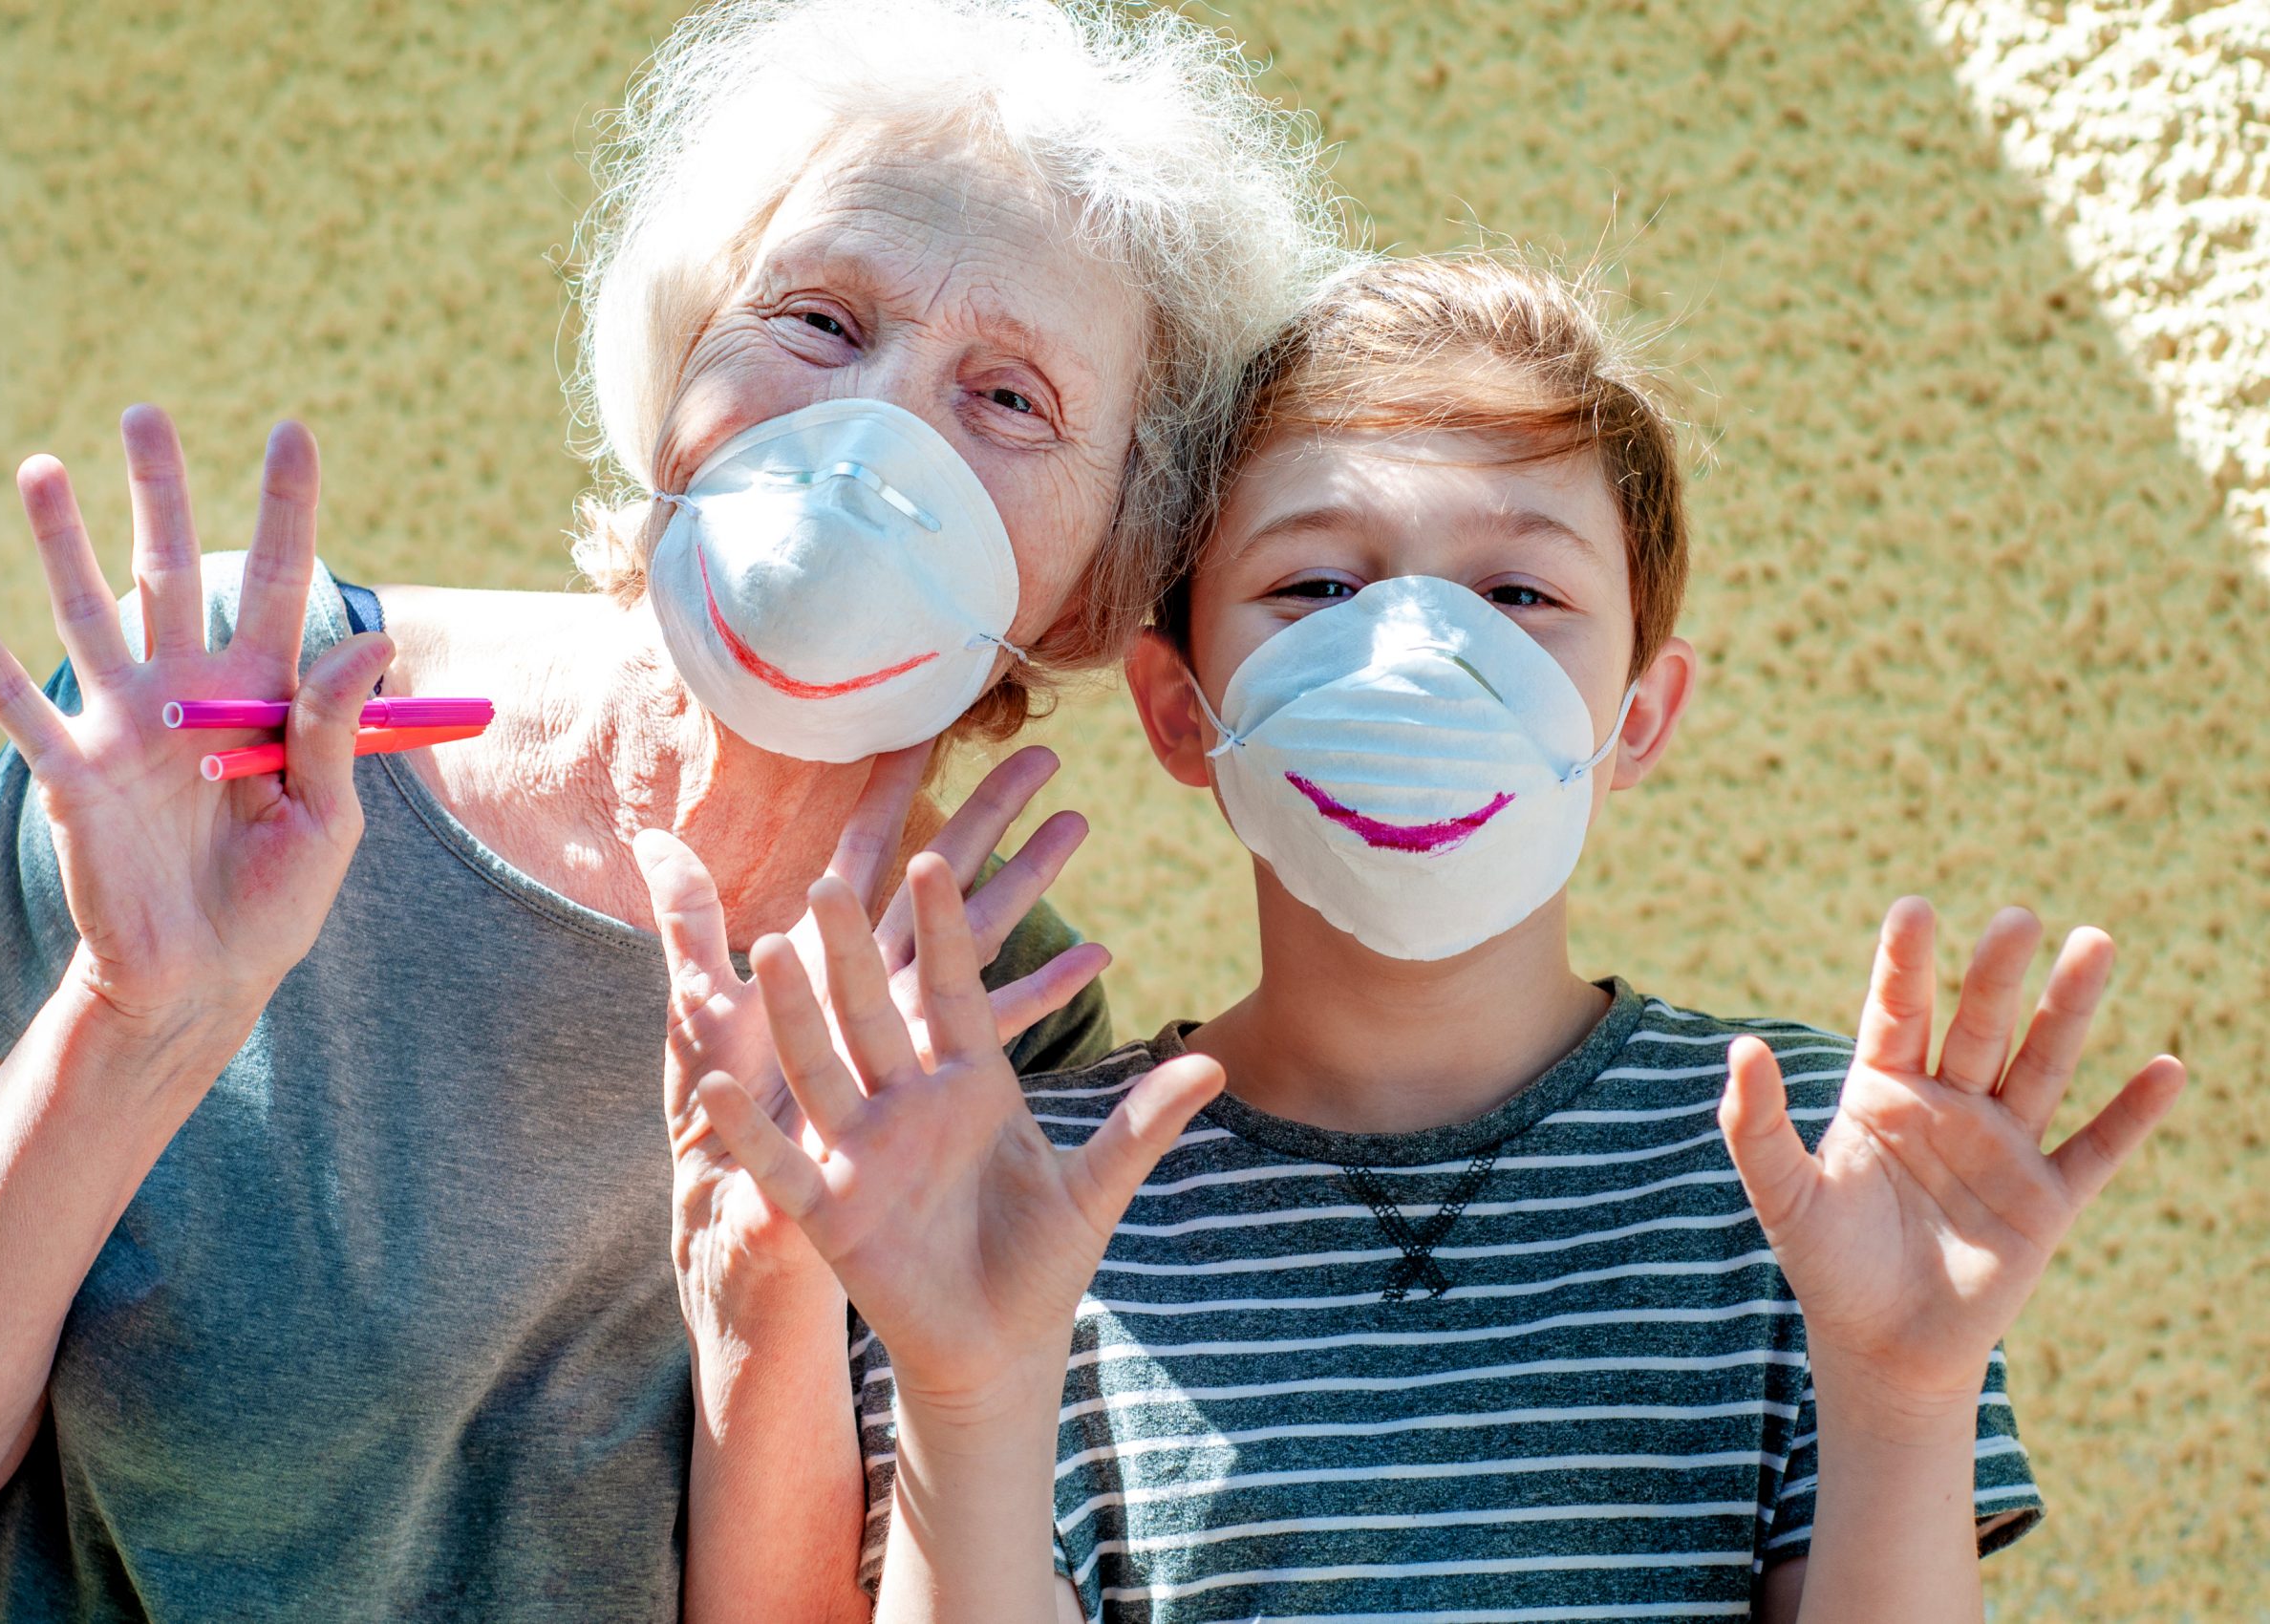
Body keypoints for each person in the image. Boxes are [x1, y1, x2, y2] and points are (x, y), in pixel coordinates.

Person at [0, 2, 1342, 1618]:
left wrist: (766, 1290)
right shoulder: (230, 715)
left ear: (1104, 562)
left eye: (1011, 398)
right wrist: (131, 1028)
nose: (881, 423)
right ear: (682, 350)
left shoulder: (971, 1011)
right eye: (821, 320)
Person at [686, 254, 2190, 1621]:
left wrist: (1905, 1391)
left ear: (1638, 717)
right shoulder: (1010, 1186)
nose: (1411, 652)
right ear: (1178, 707)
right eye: (1318, 587)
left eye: (1518, 591)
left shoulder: (1810, 1164)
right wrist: (968, 1389)